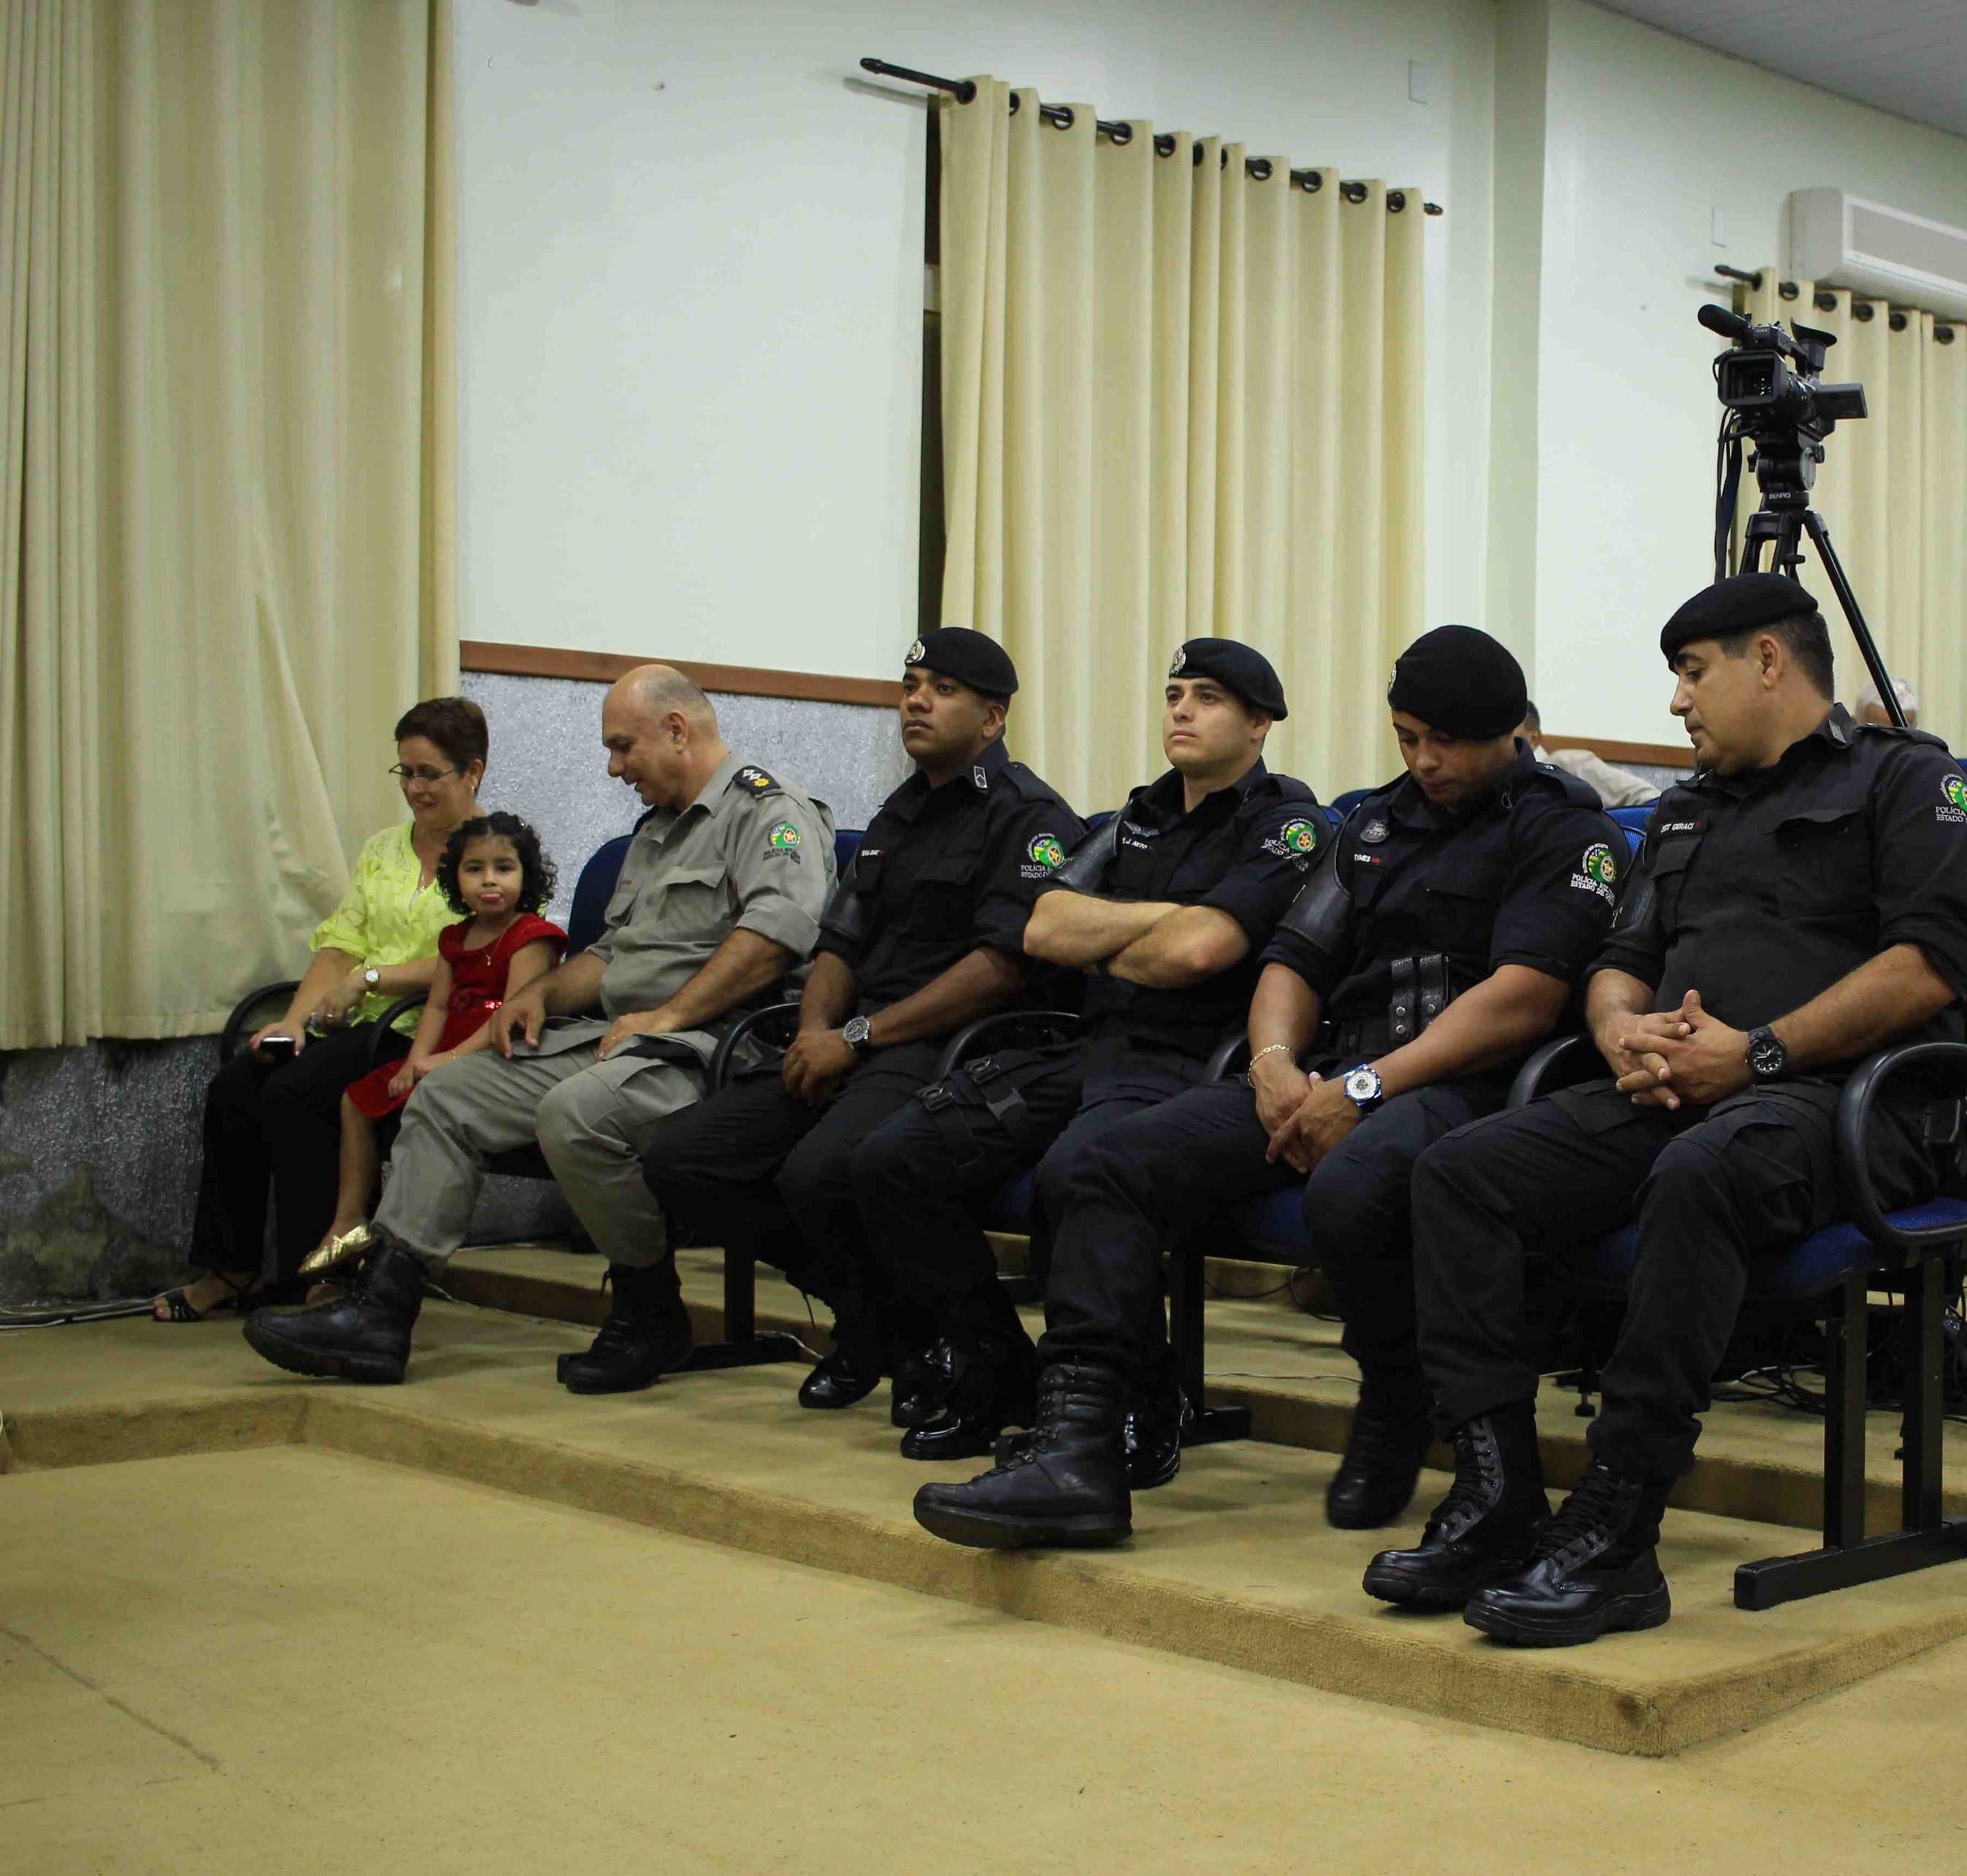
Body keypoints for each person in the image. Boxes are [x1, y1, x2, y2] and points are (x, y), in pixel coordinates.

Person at [1367, 573, 1967, 1647]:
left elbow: (1927, 967)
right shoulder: (1686, 811)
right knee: (1463, 1171)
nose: (1675, 702)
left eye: (1691, 673)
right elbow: (1619, 961)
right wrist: (1619, 1029)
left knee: (1699, 1171)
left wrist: (1755, 1054)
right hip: (1684, 1091)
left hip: (1846, 1104)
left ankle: (1618, 1529)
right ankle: (1497, 1491)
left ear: (1768, 661)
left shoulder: (1911, 783)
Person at [910, 624, 1622, 1553]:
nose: (1423, 761)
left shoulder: (1563, 828)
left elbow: (1522, 997)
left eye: (1445, 743)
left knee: (1351, 1185)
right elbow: (1294, 960)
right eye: (1407, 738)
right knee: (1106, 1165)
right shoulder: (1374, 824)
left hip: (1462, 1078)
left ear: (1506, 733)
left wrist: (1360, 1087)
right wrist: (1276, 1062)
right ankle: (1078, 1450)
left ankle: (1393, 1395)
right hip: (1330, 1071)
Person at [241, 666, 834, 1393]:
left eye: (622, 747)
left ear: (676, 730)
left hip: (713, 1045)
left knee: (575, 1112)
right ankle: (380, 1312)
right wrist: (540, 995)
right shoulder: (658, 831)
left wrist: (669, 1015)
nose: (613, 767)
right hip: (621, 1034)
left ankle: (649, 1311)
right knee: (448, 1093)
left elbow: (774, 938)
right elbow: (613, 954)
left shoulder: (769, 812)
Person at [842, 638, 1321, 1466]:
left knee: (1077, 1173)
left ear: (1259, 723)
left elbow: (1201, 953)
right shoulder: (1137, 817)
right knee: (894, 1159)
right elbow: (1042, 927)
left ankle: (1140, 1397)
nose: (1180, 709)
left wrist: (1113, 939)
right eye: (1173, 693)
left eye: (1207, 697)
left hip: (1185, 1058)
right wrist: (1166, 924)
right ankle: (997, 1362)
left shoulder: (1287, 822)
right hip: (1087, 1045)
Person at [640, 630, 1078, 1412]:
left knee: (819, 1173)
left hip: (945, 1048)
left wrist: (857, 1037)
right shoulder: (897, 813)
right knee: (683, 1159)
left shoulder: (1027, 816)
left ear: (992, 717)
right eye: (910, 684)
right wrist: (817, 1031)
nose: (916, 701)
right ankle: (881, 1323)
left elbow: (998, 970)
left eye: (941, 688)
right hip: (853, 1041)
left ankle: (960, 1348)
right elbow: (839, 940)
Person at [159, 698, 491, 1320]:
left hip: (430, 1028)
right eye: (406, 772)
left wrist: (372, 979)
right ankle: (231, 1266)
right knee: (236, 1086)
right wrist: (294, 1019)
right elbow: (340, 943)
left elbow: (484, 953)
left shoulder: (497, 850)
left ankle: (320, 1273)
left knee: (298, 1092)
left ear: (472, 771)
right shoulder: (383, 849)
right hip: (362, 1022)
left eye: (430, 774)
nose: (414, 788)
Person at [317, 813, 567, 1287]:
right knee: (356, 1100)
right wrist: (415, 1061)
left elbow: (509, 1016)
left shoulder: (532, 936)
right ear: (455, 879)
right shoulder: (454, 938)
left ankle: (399, 1249)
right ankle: (348, 1222)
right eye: (474, 869)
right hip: (446, 1049)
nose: (489, 880)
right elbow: (435, 1007)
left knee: (423, 1109)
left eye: (503, 868)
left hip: (500, 1054)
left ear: (527, 876)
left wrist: (446, 1061)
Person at [1517, 700, 1662, 808]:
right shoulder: (1511, 783)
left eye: (1511, 727)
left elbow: (1649, 798)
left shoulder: (1568, 764)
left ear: (1534, 738)